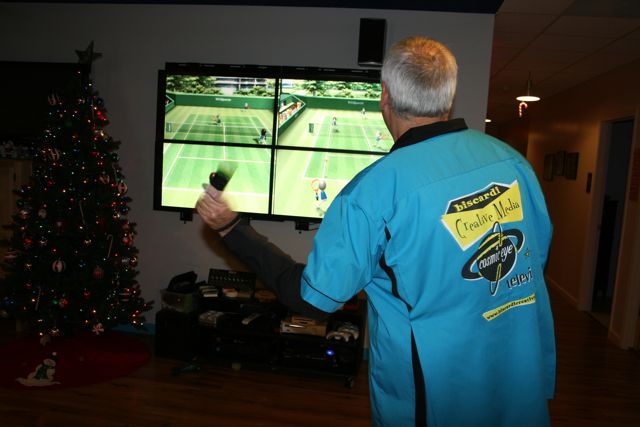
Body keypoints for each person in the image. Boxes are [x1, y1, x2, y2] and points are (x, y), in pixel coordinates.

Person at [196, 36, 555, 427]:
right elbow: (532, 261)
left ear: (385, 95)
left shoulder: (373, 192)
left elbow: (314, 298)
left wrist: (232, 228)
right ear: (448, 95)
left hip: (433, 398)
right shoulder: (513, 162)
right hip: (517, 382)